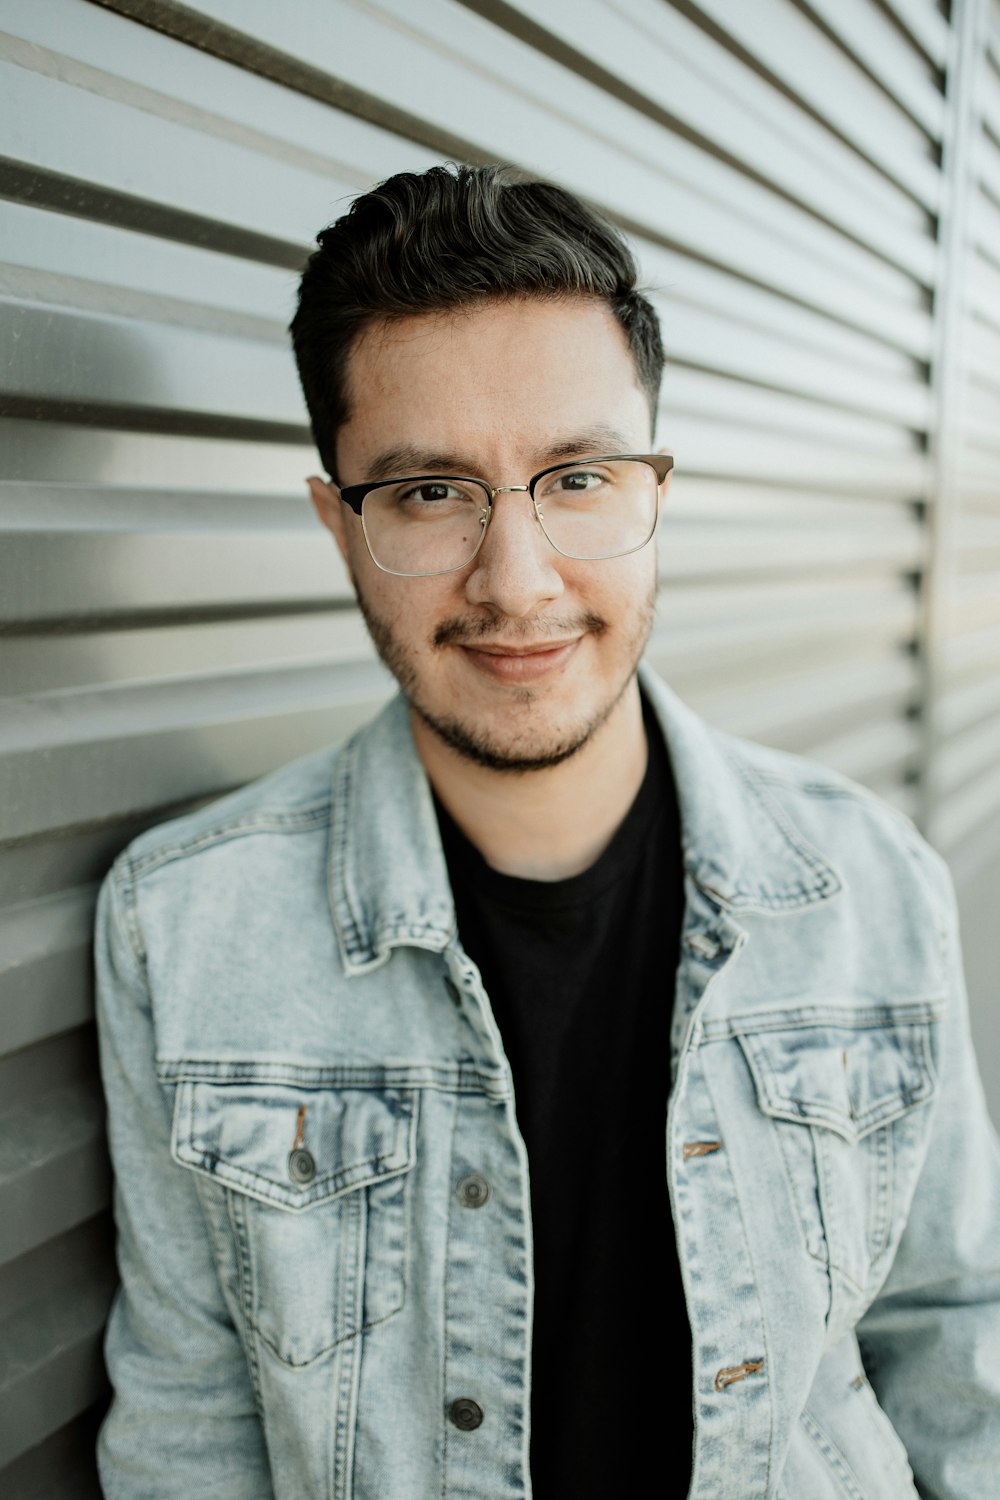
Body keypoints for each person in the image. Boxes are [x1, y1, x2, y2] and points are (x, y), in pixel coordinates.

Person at [95, 163, 1000, 1500]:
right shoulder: (185, 925)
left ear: (654, 491)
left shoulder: (868, 882)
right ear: (338, 528)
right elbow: (186, 1426)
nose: (517, 582)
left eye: (574, 477)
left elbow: (954, 1341)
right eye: (428, 494)